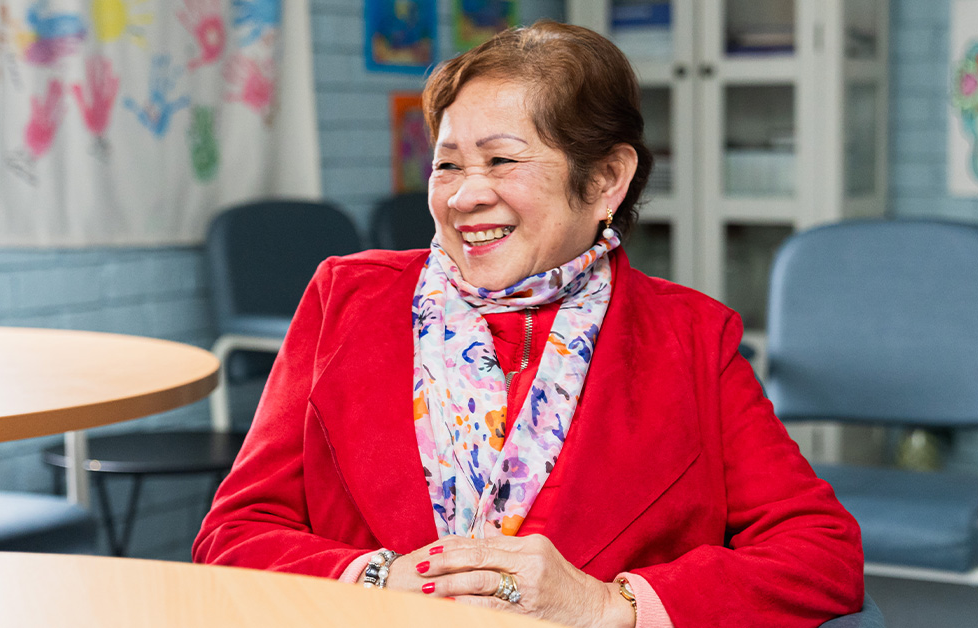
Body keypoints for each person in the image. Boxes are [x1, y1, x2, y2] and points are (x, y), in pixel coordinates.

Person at [194, 20, 863, 627]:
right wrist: (375, 579)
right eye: (448, 163)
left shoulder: (692, 335)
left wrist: (610, 604)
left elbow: (820, 554)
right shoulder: (346, 297)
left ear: (606, 178)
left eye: (502, 160)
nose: (463, 194)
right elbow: (234, 534)